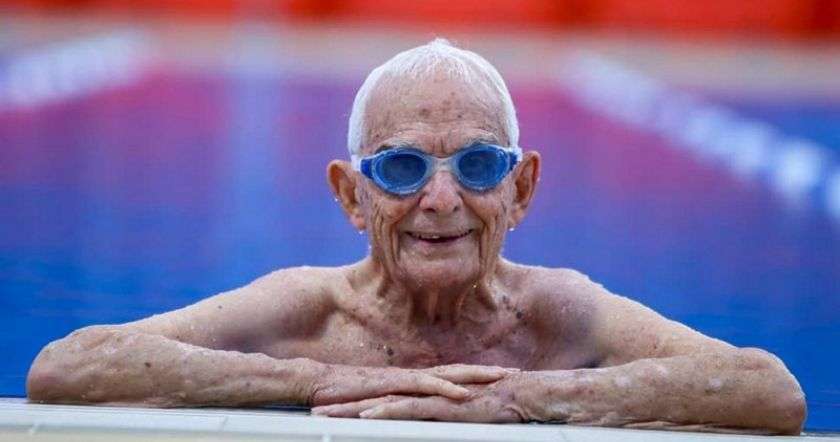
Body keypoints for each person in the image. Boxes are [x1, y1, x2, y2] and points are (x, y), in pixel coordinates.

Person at [26, 38, 805, 435]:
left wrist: (528, 397)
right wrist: (308, 381)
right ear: (352, 196)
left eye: (477, 165)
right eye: (401, 168)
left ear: (521, 189)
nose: (440, 200)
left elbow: (767, 390)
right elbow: (69, 365)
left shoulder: (558, 315)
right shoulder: (306, 313)